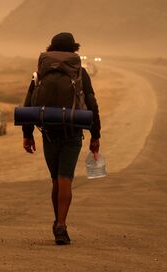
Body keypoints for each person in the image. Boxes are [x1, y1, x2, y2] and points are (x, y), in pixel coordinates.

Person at [22, 32, 101, 245]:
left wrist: (27, 135)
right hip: (73, 132)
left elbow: (29, 103)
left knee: (56, 180)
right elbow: (92, 104)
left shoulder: (40, 72)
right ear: (74, 50)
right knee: (66, 178)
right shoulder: (80, 73)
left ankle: (57, 220)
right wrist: (96, 135)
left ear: (51, 49)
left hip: (48, 132)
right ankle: (61, 225)